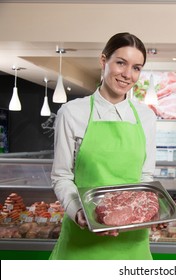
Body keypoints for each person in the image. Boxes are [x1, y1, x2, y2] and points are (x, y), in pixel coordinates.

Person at [50, 32, 158, 260]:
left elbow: (145, 177)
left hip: (132, 243)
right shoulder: (72, 113)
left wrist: (154, 211)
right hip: (83, 238)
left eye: (136, 68)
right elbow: (61, 176)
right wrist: (78, 211)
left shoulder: (146, 117)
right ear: (103, 60)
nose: (128, 74)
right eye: (121, 63)